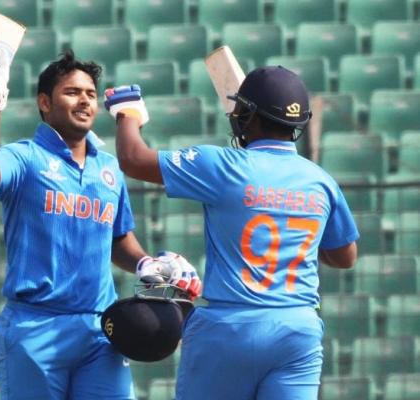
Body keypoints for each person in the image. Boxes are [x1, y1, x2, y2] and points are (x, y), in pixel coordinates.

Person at [0, 33, 201, 400]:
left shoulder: (109, 168)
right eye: (72, 92)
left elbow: (118, 238)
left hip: (99, 328)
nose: (85, 100)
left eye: (90, 94)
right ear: (45, 103)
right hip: (34, 327)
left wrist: (144, 263)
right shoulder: (25, 157)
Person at [104, 66, 359, 400]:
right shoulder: (321, 181)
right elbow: (344, 256)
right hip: (298, 330)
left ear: (247, 115)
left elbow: (133, 158)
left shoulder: (223, 165)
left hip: (229, 329)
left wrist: (127, 110)